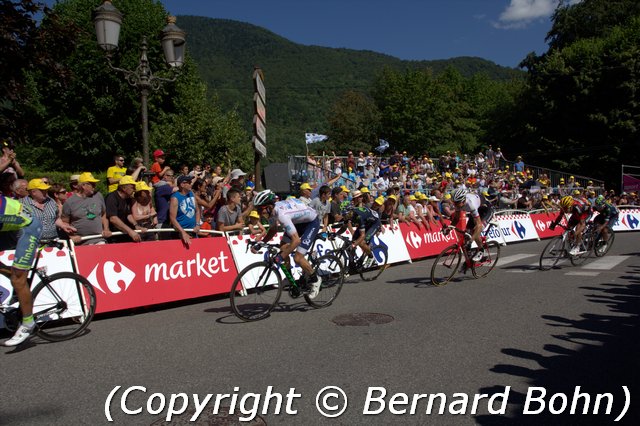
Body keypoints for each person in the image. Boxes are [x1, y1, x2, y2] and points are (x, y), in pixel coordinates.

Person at [252, 189, 322, 299]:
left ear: (269, 206)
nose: (259, 213)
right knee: (283, 248)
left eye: (261, 209)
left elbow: (296, 241)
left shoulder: (281, 215)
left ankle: (316, 279)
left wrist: (281, 256)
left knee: (298, 258)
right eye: (257, 210)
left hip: (311, 223)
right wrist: (260, 243)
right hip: (297, 222)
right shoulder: (272, 213)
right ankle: (290, 279)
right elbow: (273, 230)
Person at [0, 194, 43, 346]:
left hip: (29, 228)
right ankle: (16, 292)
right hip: (11, 225)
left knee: (18, 280)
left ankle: (28, 323)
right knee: (14, 276)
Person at [61, 172, 111, 245]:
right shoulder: (69, 202)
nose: (95, 186)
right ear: (83, 185)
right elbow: (65, 222)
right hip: (81, 241)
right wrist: (72, 236)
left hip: (99, 238)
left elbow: (103, 214)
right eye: (92, 184)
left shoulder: (98, 195)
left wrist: (106, 229)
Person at [445, 188, 493, 262]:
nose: (456, 205)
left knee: (475, 231)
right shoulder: (458, 203)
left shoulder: (470, 204)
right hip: (476, 211)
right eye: (454, 203)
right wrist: (449, 228)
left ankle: (482, 250)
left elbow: (479, 225)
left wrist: (471, 241)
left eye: (457, 203)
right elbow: (456, 219)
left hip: (486, 210)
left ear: (463, 200)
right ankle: (469, 260)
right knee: (467, 233)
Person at [105, 175, 144, 243]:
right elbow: (113, 218)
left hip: (124, 233)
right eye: (132, 187)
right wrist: (130, 231)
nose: (134, 190)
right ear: (124, 188)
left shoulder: (127, 198)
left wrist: (136, 225)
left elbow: (128, 215)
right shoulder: (111, 198)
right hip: (114, 236)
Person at [170, 175, 200, 245]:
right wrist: (183, 232)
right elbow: (172, 218)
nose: (191, 184)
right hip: (180, 232)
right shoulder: (175, 198)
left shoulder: (191, 193)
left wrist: (198, 224)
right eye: (189, 182)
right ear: (182, 184)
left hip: (193, 230)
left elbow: (197, 211)